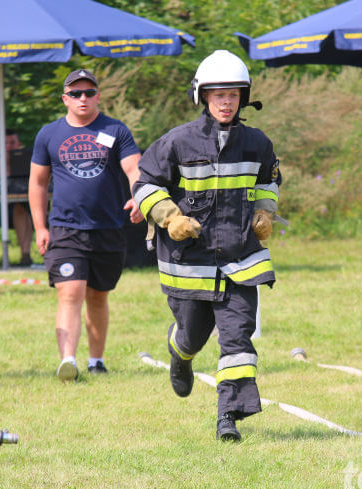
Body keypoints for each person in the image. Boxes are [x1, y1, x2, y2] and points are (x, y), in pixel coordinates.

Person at [133, 50, 281, 441]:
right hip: (190, 263)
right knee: (193, 336)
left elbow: (268, 180)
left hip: (240, 259)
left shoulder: (257, 143)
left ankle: (227, 416)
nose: (226, 102)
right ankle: (179, 352)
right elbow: (145, 184)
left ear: (243, 97)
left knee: (237, 337)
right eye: (218, 95)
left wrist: (265, 212)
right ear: (203, 96)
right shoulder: (176, 142)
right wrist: (170, 217)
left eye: (233, 94)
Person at [29, 69, 142, 382]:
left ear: (98, 96)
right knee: (70, 293)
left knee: (98, 296)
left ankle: (96, 360)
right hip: (65, 229)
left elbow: (134, 169)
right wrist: (40, 226)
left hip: (108, 228)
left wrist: (139, 197)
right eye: (76, 93)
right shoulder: (49, 134)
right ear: (65, 98)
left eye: (89, 92)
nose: (83, 98)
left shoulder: (115, 130)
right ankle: (68, 360)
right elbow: (37, 183)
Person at [0, 129, 34, 265]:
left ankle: (25, 256)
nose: (9, 146)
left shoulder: (27, 163)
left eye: (12, 143)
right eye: (5, 143)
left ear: (19, 145)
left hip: (17, 209)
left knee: (20, 209)